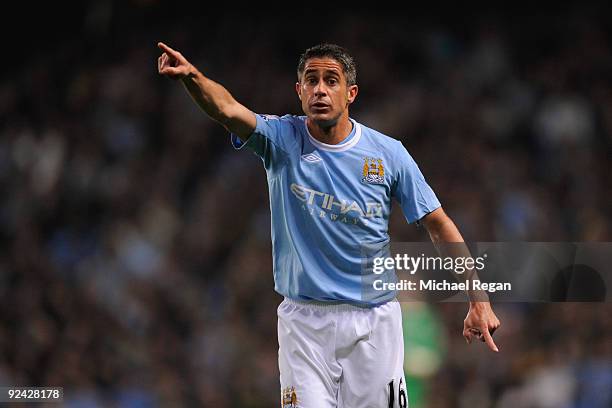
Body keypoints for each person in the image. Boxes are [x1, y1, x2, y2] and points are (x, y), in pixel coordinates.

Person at [157, 41, 500, 407]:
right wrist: (192, 77)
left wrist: (477, 297)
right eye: (312, 80)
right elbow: (225, 107)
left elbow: (438, 223)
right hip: (304, 325)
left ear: (350, 93)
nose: (320, 88)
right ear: (299, 91)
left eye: (331, 80)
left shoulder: (388, 153)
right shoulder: (281, 140)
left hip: (374, 323)